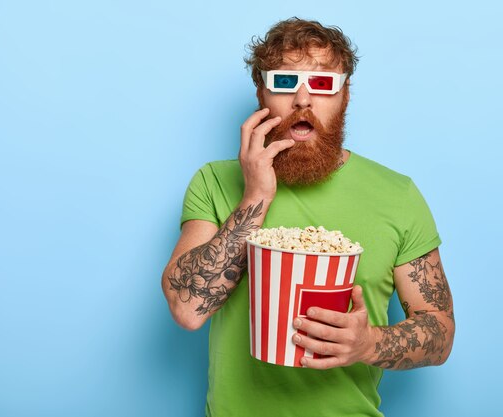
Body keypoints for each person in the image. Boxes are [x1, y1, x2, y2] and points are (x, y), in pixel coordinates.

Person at [162, 17, 455, 417]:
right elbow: (186, 308)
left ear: (345, 95)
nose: (303, 100)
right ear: (262, 93)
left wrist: (368, 343)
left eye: (322, 83)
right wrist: (256, 195)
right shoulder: (214, 182)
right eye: (284, 82)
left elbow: (439, 330)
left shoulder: (396, 194)